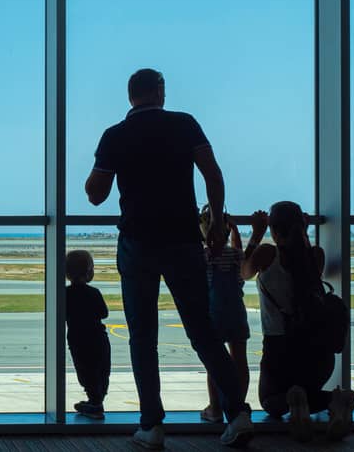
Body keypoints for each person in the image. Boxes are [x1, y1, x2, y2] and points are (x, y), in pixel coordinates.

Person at [85, 68, 253, 449]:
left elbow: (95, 194)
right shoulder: (185, 124)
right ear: (159, 93)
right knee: (204, 332)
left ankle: (152, 425)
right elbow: (213, 174)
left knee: (143, 337)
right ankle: (239, 415)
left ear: (131, 96)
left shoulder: (115, 136)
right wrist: (215, 223)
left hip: (138, 241)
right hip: (183, 240)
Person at [242, 201, 354, 442]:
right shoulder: (315, 255)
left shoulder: (267, 254)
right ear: (302, 226)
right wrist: (302, 231)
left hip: (280, 350)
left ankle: (295, 398)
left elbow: (242, 272)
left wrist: (255, 234)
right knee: (308, 389)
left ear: (273, 229)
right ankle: (335, 400)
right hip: (318, 352)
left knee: (270, 402)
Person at [197, 206, 250, 426]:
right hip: (236, 311)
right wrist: (235, 230)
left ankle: (215, 407)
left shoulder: (204, 256)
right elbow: (242, 251)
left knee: (215, 362)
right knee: (240, 359)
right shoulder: (235, 255)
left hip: (213, 314)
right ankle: (238, 404)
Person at [65, 249, 111, 419]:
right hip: (97, 336)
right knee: (101, 368)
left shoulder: (66, 294)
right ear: (89, 271)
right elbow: (104, 313)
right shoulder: (93, 292)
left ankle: (94, 401)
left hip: (77, 338)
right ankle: (97, 401)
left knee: (85, 369)